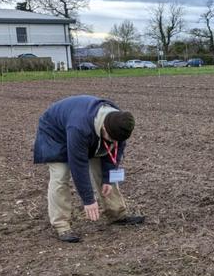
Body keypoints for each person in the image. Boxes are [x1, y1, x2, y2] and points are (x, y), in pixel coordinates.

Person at [33, 95, 144, 243]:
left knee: (109, 177)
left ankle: (117, 213)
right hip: (55, 134)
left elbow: (114, 154)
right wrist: (88, 200)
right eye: (111, 139)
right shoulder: (79, 127)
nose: (114, 142)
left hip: (89, 133)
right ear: (104, 128)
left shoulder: (119, 122)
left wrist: (107, 179)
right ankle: (61, 225)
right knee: (60, 176)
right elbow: (78, 165)